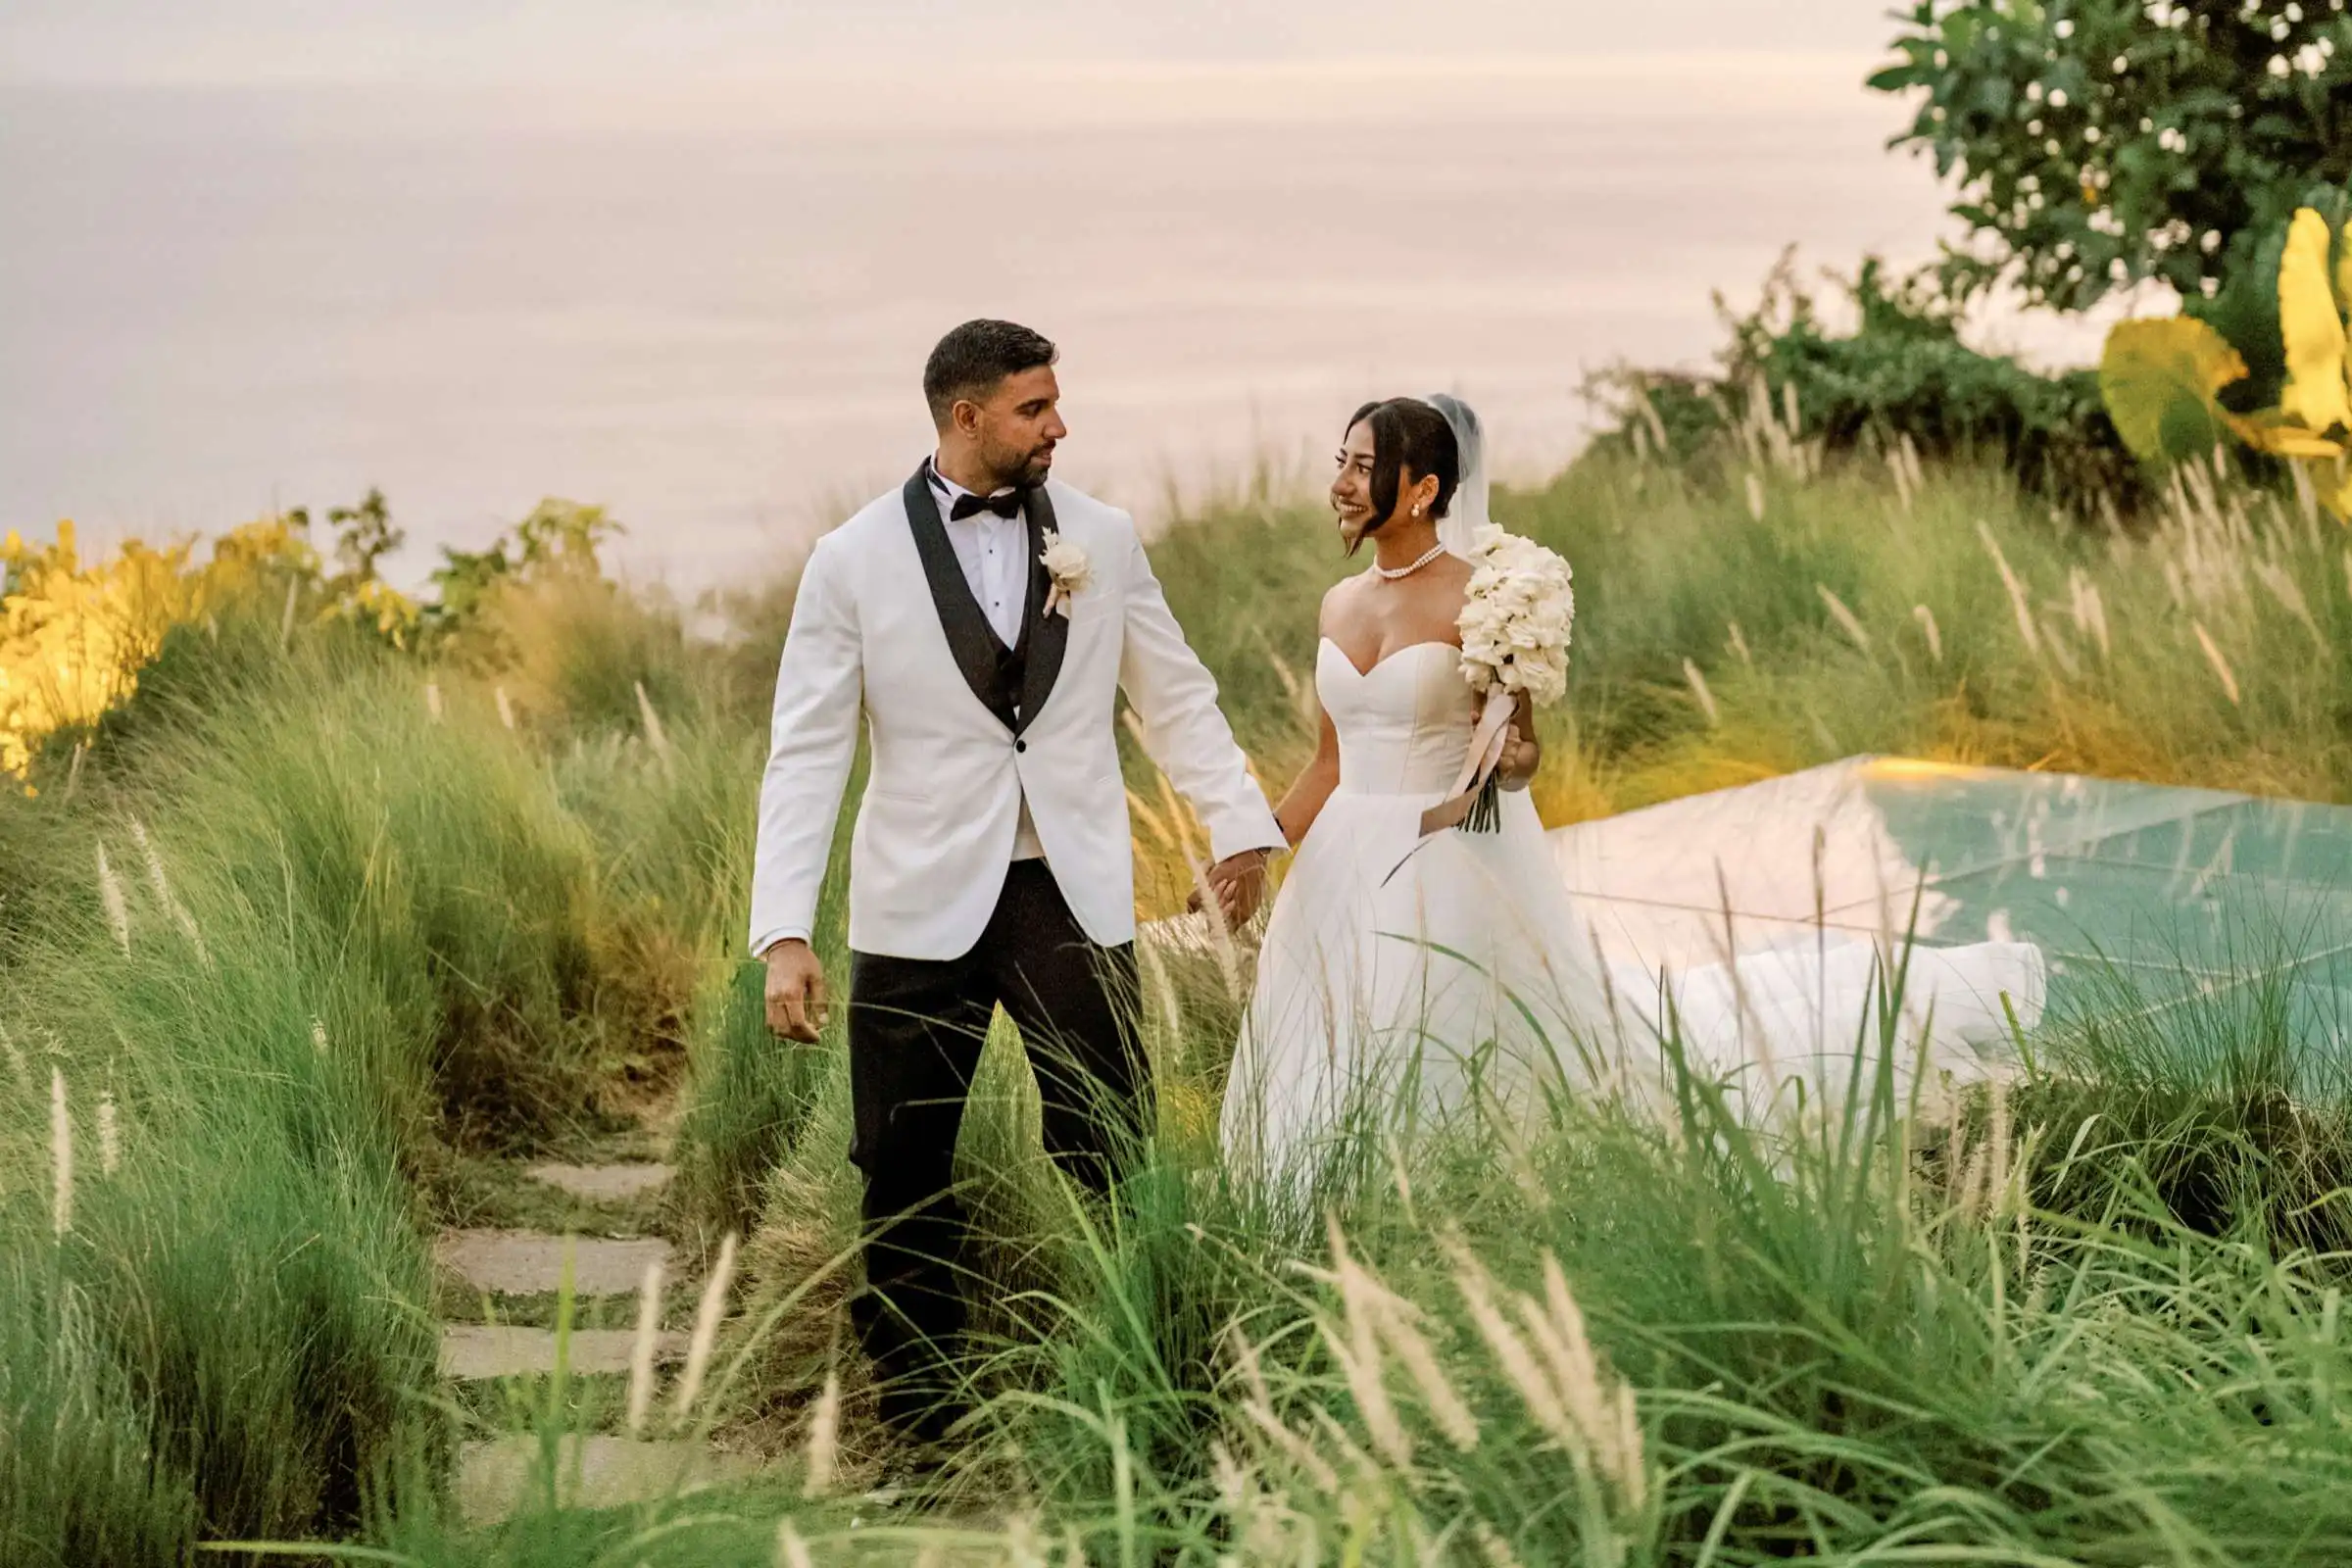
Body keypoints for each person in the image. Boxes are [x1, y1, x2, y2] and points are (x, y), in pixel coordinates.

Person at [749, 319, 1285, 1440]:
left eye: (1056, 403)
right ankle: (924, 1420)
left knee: (1116, 1144)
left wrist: (1237, 827)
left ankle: (1148, 1383)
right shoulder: (849, 560)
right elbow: (807, 749)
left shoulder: (1103, 536)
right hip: (915, 900)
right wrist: (784, 931)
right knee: (902, 1166)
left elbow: (1173, 694)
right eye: (1036, 407)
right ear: (966, 416)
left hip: (1069, 890)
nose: (1060, 424)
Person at [1219, 395, 1613, 1198]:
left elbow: (1525, 754)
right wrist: (1253, 848)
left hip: (1446, 858)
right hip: (1340, 870)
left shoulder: (1488, 600)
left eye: (1364, 467)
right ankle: (1324, 1205)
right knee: (1327, 1045)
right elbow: (1329, 765)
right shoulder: (1338, 603)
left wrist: (1509, 758)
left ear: (1424, 489)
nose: (1343, 483)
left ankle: (1444, 1201)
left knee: (1429, 1038)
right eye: (1342, 462)